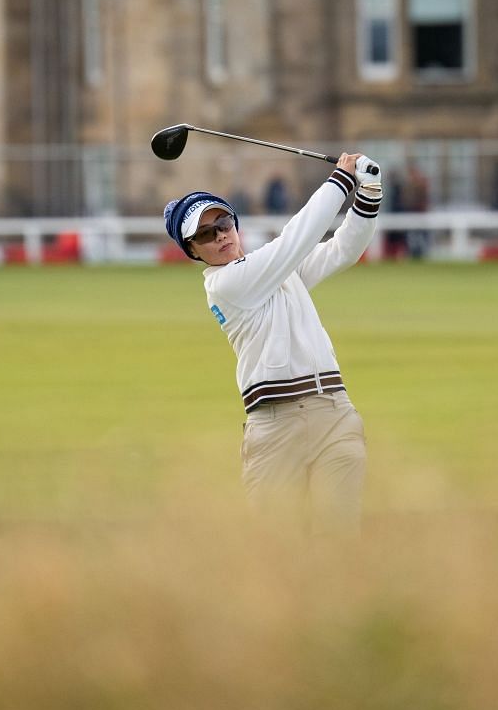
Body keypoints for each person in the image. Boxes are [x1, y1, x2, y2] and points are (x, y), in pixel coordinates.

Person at [164, 151, 383, 530]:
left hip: (334, 412)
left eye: (224, 223)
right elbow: (294, 241)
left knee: (340, 540)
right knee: (279, 553)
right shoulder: (227, 284)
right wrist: (341, 181)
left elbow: (342, 251)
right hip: (275, 426)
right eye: (204, 233)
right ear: (192, 251)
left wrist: (369, 195)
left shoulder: (276, 270)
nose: (220, 236)